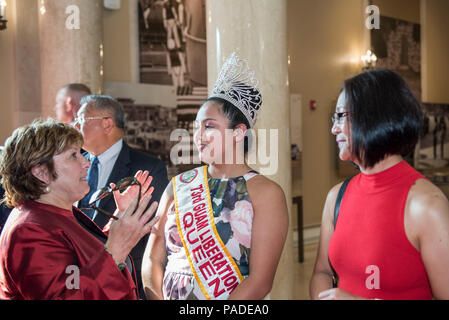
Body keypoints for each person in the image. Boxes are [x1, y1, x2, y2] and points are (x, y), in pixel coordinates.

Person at [141, 52, 288, 300]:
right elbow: (152, 259)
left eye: (209, 126)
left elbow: (260, 281)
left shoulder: (266, 193)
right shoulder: (178, 186)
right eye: (196, 126)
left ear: (238, 133)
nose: (198, 136)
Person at [310, 69, 449, 300]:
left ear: (374, 117)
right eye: (334, 118)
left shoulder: (427, 206)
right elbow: (322, 272)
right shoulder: (336, 196)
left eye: (341, 116)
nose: (334, 128)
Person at [0, 119, 160, 300]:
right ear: (41, 173)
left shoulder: (54, 213)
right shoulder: (28, 230)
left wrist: (119, 222)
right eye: (73, 155)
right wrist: (116, 248)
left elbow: (83, 258)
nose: (87, 163)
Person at [74, 94, 169, 299]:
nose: (75, 126)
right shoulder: (74, 163)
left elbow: (153, 229)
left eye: (81, 120)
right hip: (78, 276)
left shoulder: (148, 167)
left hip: (126, 277)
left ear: (107, 124)